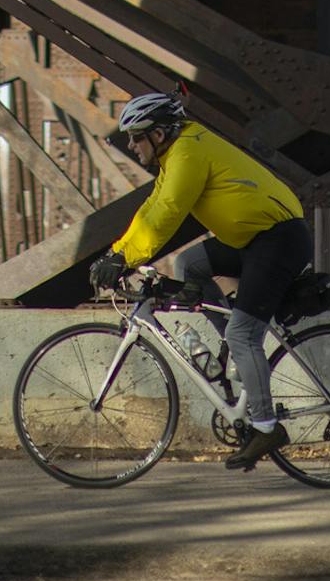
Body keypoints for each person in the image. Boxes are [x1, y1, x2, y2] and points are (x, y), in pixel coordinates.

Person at [89, 88, 310, 472]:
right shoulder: (176, 155)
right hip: (253, 238)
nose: (131, 145)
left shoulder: (190, 152)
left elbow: (170, 212)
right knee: (191, 263)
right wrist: (116, 253)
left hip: (277, 240)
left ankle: (265, 425)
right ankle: (237, 355)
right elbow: (150, 212)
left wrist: (126, 257)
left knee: (244, 334)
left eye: (136, 137)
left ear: (158, 134)